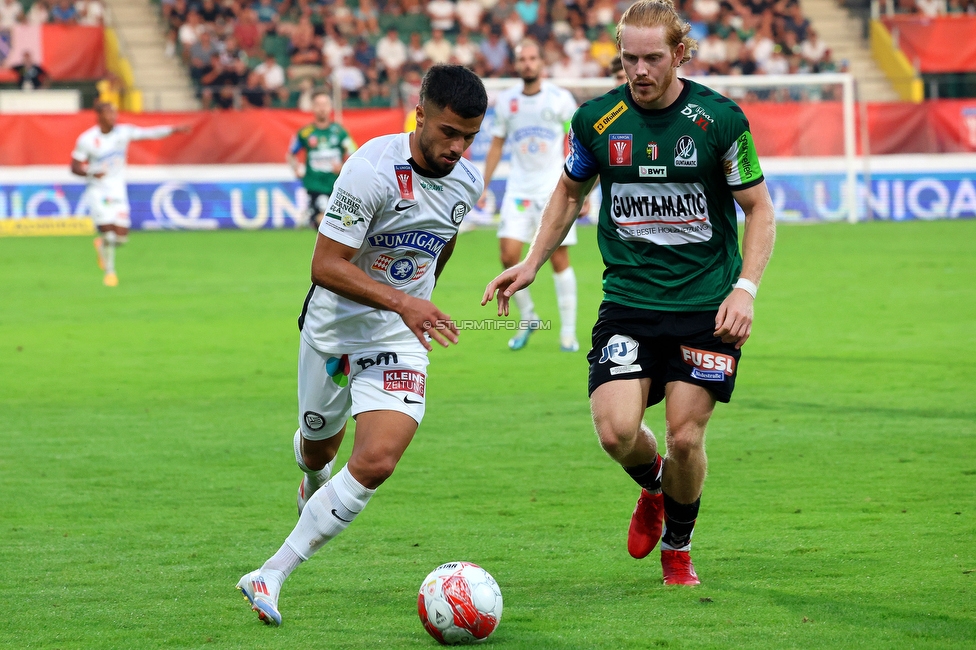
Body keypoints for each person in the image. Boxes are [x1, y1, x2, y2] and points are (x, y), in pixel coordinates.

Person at [483, 0, 776, 586]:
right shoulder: (596, 120)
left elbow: (760, 210)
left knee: (685, 436)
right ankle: (654, 487)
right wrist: (533, 263)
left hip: (705, 307)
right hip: (629, 303)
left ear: (680, 55)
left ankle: (678, 547)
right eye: (629, 58)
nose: (639, 71)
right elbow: (568, 194)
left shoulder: (720, 120)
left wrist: (745, 289)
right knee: (617, 432)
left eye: (652, 58)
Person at [236, 65, 488, 627]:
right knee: (318, 447)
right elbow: (325, 265)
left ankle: (270, 573)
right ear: (419, 115)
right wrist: (406, 301)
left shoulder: (467, 181)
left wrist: (417, 301)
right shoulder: (370, 168)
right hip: (333, 329)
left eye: (469, 136)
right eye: (449, 132)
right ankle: (313, 480)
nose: (458, 147)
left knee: (376, 460)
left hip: (399, 337)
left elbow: (439, 247)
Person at [479, 38, 580, 352]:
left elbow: (577, 137)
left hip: (555, 191)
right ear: (516, 64)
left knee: (558, 259)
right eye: (522, 59)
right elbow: (496, 144)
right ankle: (530, 317)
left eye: (533, 58)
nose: (528, 64)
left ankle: (568, 332)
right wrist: (483, 183)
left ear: (541, 63)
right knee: (508, 256)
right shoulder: (507, 102)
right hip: (518, 191)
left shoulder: (560, 99)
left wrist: (581, 184)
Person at [70, 102, 190, 286]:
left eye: (114, 113)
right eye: (108, 113)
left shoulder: (123, 132)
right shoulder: (87, 139)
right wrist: (91, 173)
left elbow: (149, 133)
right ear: (99, 116)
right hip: (98, 191)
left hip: (118, 190)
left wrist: (173, 129)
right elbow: (74, 167)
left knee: (121, 238)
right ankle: (110, 273)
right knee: (109, 234)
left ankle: (101, 246)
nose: (113, 117)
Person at [287, 91, 358, 229]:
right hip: (315, 185)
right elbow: (291, 154)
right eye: (318, 104)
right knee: (323, 220)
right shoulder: (305, 133)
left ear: (330, 107)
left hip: (337, 185)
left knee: (338, 223)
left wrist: (343, 166)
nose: (322, 108)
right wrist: (295, 168)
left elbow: (354, 154)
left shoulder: (339, 132)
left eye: (325, 104)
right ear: (313, 107)